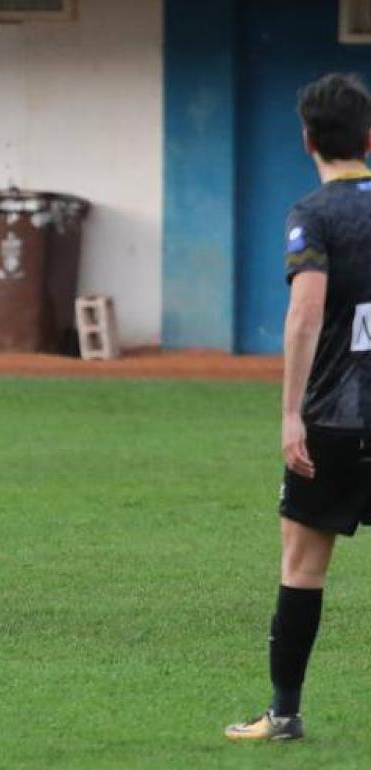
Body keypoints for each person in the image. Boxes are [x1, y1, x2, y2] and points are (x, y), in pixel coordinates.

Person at [225, 73, 371, 742]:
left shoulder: (313, 213)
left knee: (303, 564)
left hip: (336, 421)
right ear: (368, 138)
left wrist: (290, 415)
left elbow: (306, 310)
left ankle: (283, 714)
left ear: (308, 139)